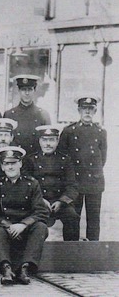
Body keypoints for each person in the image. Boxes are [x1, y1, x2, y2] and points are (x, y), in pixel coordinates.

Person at [0, 146, 48, 285]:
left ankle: (25, 268)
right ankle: (6, 269)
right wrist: (9, 226)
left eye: (14, 163)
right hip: (6, 226)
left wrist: (23, 224)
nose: (10, 167)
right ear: (2, 166)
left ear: (20, 164)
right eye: (7, 164)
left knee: (41, 227)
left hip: (26, 226)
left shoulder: (32, 184)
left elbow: (41, 211)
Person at [58, 96, 107, 241]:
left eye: (90, 109)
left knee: (93, 220)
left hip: (94, 182)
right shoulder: (69, 131)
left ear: (95, 111)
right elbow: (63, 157)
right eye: (84, 109)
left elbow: (102, 158)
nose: (87, 112)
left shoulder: (101, 132)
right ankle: (70, 253)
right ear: (79, 110)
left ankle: (92, 253)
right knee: (72, 219)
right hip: (75, 183)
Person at [23, 125, 79, 241]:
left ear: (57, 141)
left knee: (72, 216)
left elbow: (72, 186)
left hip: (59, 202)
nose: (48, 144)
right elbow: (26, 185)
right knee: (27, 218)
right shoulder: (30, 160)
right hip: (38, 202)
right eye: (44, 140)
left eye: (51, 140)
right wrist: (40, 200)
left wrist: (61, 201)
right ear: (39, 141)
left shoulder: (65, 160)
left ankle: (72, 252)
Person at [4, 75, 51, 156]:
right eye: (23, 89)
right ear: (19, 90)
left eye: (30, 89)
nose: (27, 93)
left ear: (34, 90)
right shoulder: (9, 115)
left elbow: (48, 140)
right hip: (15, 159)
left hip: (36, 162)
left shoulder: (43, 115)